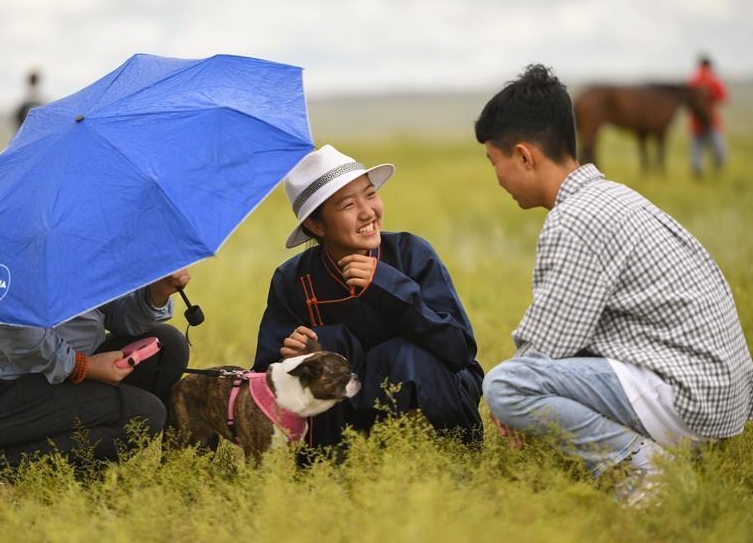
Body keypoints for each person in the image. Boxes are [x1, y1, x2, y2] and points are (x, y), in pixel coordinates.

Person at [474, 64, 753, 504]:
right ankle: (669, 453)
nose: (498, 178)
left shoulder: (575, 218)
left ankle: (645, 467)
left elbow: (546, 347)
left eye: (495, 163)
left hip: (692, 398)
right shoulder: (614, 196)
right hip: (724, 396)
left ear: (524, 156)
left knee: (506, 386)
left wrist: (505, 406)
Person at [252, 144, 485, 458]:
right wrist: (294, 361)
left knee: (403, 354)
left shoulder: (412, 254)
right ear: (316, 225)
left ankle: (453, 459)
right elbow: (264, 377)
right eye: (349, 204)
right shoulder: (292, 279)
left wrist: (388, 285)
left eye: (370, 194)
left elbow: (459, 350)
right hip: (343, 413)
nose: (368, 212)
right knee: (325, 353)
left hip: (437, 391)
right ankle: (331, 468)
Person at [0, 270, 192, 485]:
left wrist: (156, 294)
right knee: (144, 413)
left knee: (168, 347)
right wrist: (83, 366)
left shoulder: (77, 246)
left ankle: (85, 472)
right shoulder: (6, 255)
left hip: (48, 378)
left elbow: (116, 313)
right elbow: (16, 336)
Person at [687, 54, 729, 178]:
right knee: (716, 148)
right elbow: (724, 97)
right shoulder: (710, 80)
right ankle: (714, 168)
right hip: (708, 120)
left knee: (698, 148)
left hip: (701, 121)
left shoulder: (693, 80)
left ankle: (698, 171)